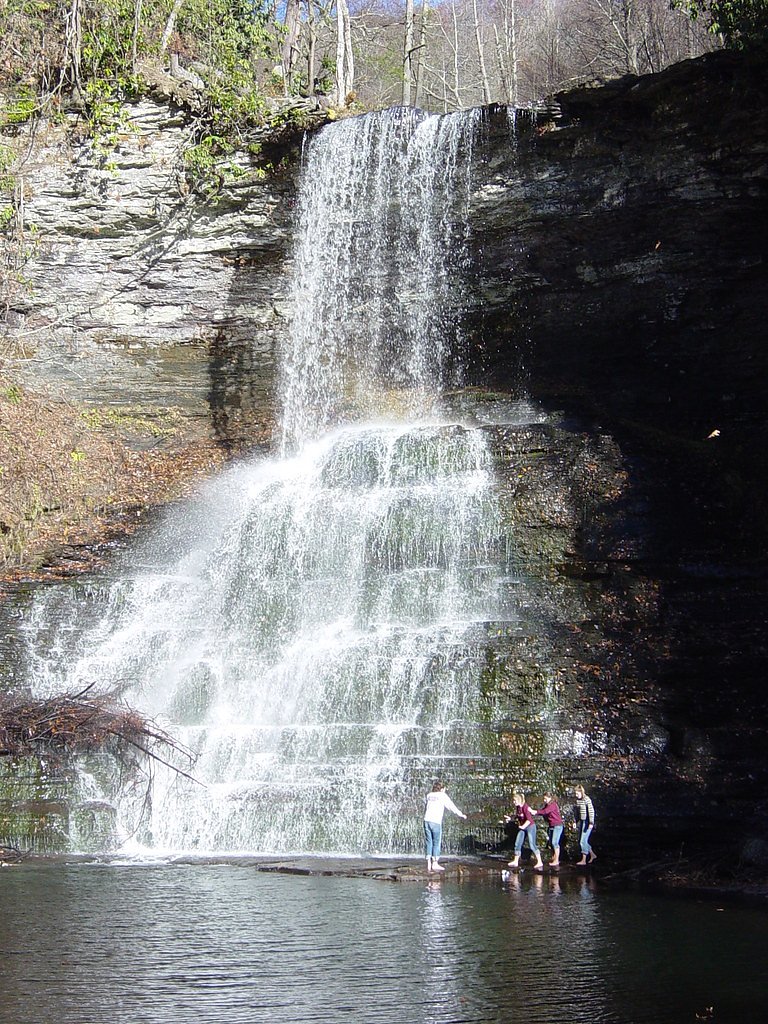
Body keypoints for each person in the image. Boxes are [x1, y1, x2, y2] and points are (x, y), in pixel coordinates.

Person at [423, 781, 467, 872]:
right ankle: (435, 863)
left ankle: (428, 863)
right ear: (442, 789)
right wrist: (461, 814)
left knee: (429, 841)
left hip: (426, 820)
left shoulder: (429, 795)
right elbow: (451, 806)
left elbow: (426, 807)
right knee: (436, 841)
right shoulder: (442, 795)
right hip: (435, 821)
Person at [505, 790, 544, 870]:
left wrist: (523, 827)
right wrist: (510, 818)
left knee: (532, 844)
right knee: (517, 843)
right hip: (522, 827)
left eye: (514, 800)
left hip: (530, 827)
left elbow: (529, 819)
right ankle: (515, 861)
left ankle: (540, 861)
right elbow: (518, 816)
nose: (513, 802)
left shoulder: (525, 807)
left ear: (519, 800)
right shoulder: (518, 807)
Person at [535, 791, 564, 868]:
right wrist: (535, 812)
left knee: (555, 842)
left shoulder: (553, 805)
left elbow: (544, 812)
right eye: (544, 799)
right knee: (551, 843)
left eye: (545, 799)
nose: (544, 800)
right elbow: (542, 811)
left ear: (550, 798)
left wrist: (535, 812)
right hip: (552, 826)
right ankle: (555, 857)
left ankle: (556, 860)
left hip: (557, 826)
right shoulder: (547, 805)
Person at [573, 784, 596, 865]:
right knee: (581, 840)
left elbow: (591, 811)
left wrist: (591, 823)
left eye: (577, 793)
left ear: (581, 792)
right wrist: (575, 821)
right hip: (582, 821)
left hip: (587, 822)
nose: (576, 795)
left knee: (583, 841)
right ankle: (592, 855)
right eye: (575, 794)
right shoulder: (578, 801)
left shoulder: (587, 799)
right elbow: (577, 813)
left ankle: (584, 860)